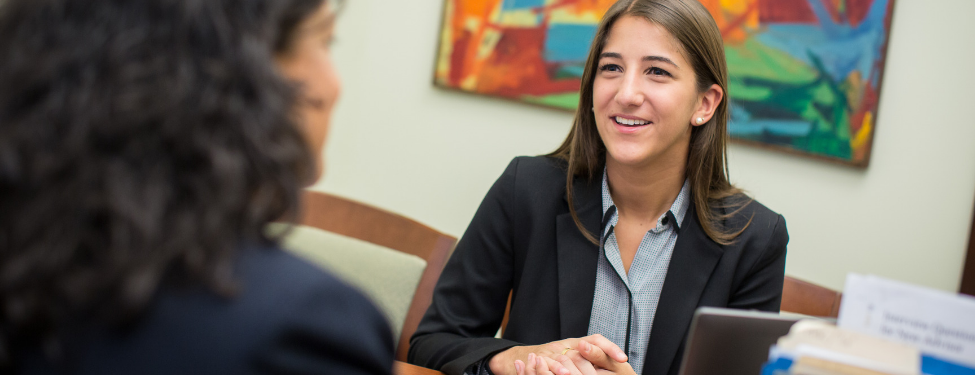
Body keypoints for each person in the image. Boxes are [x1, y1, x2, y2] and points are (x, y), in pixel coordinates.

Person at [0, 0, 393, 374]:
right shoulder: (303, 331)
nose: (334, 83)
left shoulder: (24, 257)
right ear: (250, 68)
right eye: (325, 41)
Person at [407, 0, 788, 374]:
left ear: (704, 103)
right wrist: (507, 358)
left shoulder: (756, 239)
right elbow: (432, 342)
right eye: (611, 68)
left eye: (656, 71)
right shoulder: (526, 189)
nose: (626, 94)